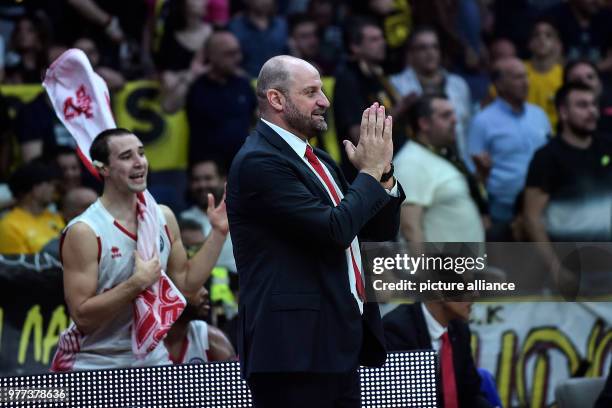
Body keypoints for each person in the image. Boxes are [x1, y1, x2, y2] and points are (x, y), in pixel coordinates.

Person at [227, 55, 404, 407]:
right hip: (292, 352)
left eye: (322, 90)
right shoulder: (259, 161)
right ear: (277, 99)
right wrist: (367, 175)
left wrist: (382, 174)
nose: (324, 101)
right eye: (311, 92)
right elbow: (333, 231)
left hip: (334, 343)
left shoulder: (319, 160)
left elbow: (375, 230)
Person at [50, 128, 228, 371]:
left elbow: (185, 286)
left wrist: (218, 233)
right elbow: (83, 318)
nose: (139, 163)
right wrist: (137, 283)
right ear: (103, 169)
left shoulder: (163, 217)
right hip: (93, 362)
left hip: (151, 359)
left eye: (141, 153)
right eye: (126, 157)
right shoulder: (85, 231)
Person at [524, 82, 612, 243]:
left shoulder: (608, 146)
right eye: (582, 105)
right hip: (573, 260)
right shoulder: (546, 157)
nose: (592, 111)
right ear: (563, 112)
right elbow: (532, 219)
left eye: (594, 104)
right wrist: (554, 267)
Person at [468, 57, 551, 226]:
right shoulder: (482, 121)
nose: (526, 82)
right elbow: (473, 168)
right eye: (517, 77)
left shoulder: (539, 115)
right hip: (502, 206)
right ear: (499, 84)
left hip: (542, 201)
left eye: (526, 76)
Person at [394, 94, 485, 243]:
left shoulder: (439, 154)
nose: (455, 120)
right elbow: (409, 229)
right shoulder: (410, 162)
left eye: (453, 113)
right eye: (445, 115)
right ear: (424, 124)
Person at [333, 18, 411, 180]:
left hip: (393, 166)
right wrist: (401, 108)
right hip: (366, 176)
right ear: (355, 47)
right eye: (374, 39)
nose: (382, 43)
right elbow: (359, 137)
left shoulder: (377, 75)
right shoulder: (348, 80)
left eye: (382, 38)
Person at [383, 301, 493, 408]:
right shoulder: (397, 328)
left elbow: (470, 393)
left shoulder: (460, 329)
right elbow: (406, 400)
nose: (475, 294)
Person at [391, 26, 472, 161]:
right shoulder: (395, 84)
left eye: (435, 47)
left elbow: (468, 127)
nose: (430, 53)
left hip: (459, 158)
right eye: (423, 48)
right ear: (411, 54)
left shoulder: (459, 84)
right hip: (416, 160)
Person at [185, 30, 256, 168]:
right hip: (206, 170)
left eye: (238, 52)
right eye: (230, 54)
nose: (238, 58)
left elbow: (256, 118)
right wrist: (190, 76)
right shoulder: (195, 85)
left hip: (240, 166)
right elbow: (169, 106)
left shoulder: (243, 83)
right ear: (211, 56)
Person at [181, 158, 236, 272]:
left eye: (208, 178)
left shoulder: (241, 215)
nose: (202, 185)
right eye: (196, 180)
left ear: (223, 180)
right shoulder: (182, 220)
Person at [0, 160, 64, 254]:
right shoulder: (9, 225)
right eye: (49, 184)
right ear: (35, 188)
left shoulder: (54, 217)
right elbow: (16, 266)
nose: (53, 189)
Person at [164, 284, 235, 364]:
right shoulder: (148, 341)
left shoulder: (212, 337)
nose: (205, 292)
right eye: (193, 287)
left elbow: (236, 374)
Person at [228, 0, 288, 78]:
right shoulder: (235, 26)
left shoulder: (281, 24)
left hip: (278, 82)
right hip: (244, 82)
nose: (266, 1)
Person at [525, 18, 563, 130]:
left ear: (558, 44)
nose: (542, 39)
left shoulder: (565, 76)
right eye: (536, 35)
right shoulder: (516, 71)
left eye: (548, 35)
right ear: (529, 43)